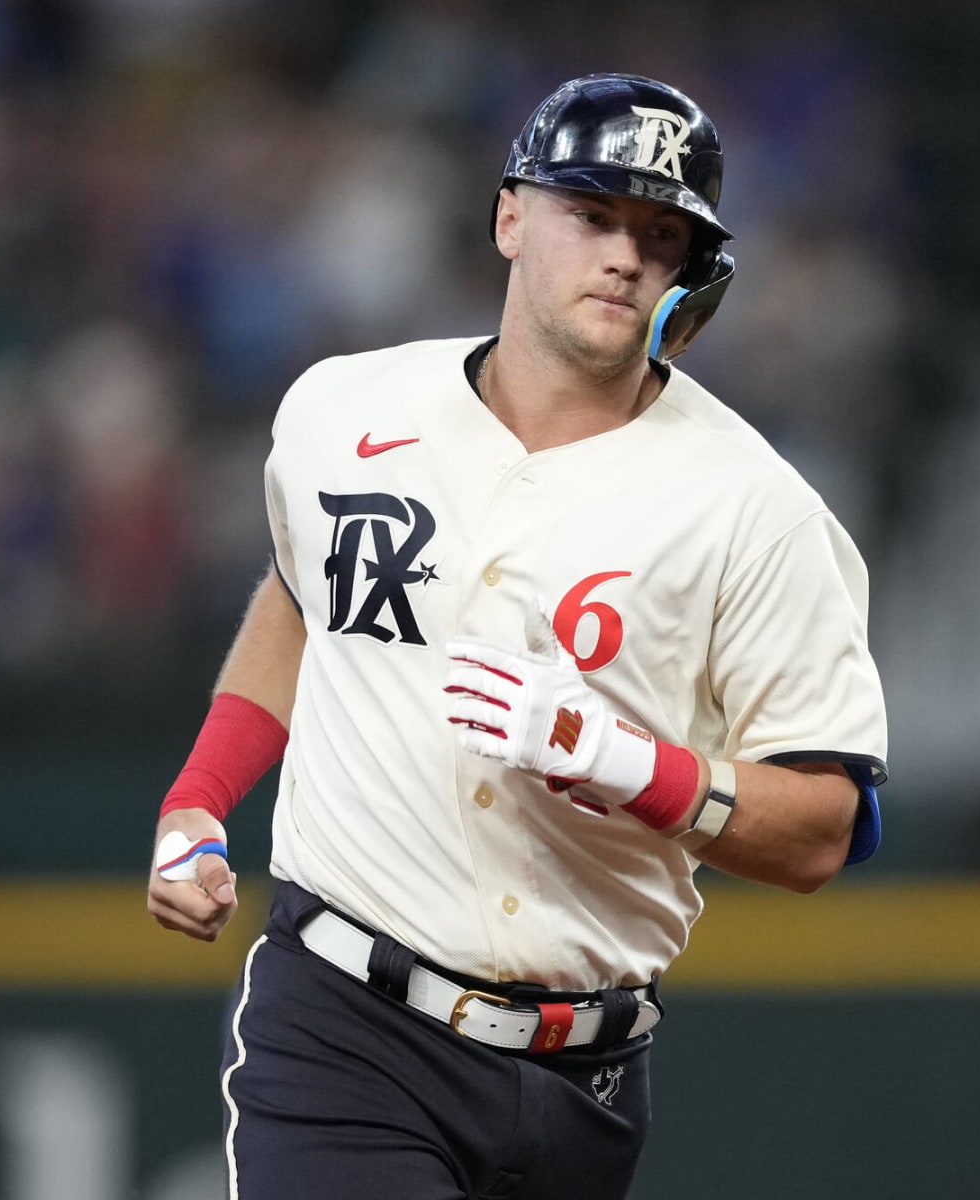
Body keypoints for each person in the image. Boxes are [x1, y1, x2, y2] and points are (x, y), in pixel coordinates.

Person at [146, 71, 888, 1199]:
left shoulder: (757, 508)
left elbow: (821, 828)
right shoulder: (344, 411)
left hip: (583, 1077)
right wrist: (198, 797)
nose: (625, 255)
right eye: (591, 212)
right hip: (347, 1027)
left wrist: (631, 764)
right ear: (509, 217)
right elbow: (304, 599)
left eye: (660, 232)